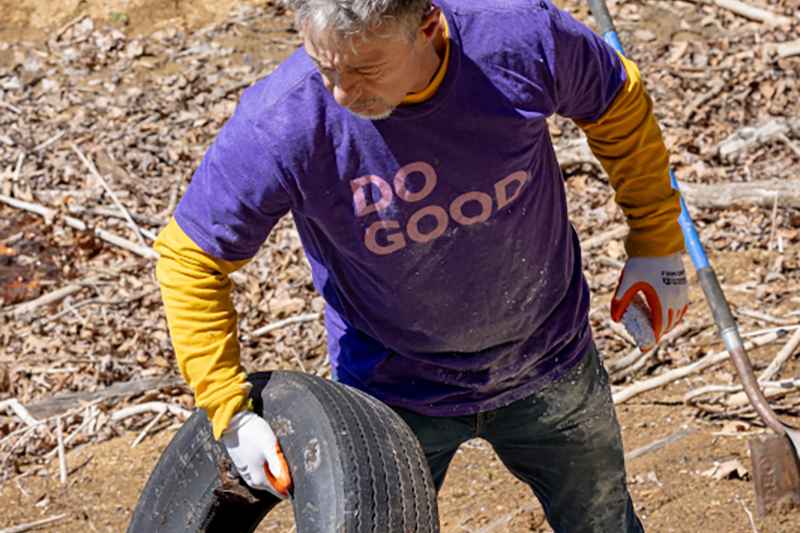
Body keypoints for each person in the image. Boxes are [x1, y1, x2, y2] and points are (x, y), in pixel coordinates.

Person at [154, 0, 689, 530]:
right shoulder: (284, 122)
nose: (341, 92)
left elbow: (616, 103)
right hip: (391, 388)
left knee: (604, 524)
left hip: (550, 359)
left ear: (428, 27)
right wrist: (228, 408)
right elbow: (190, 256)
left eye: (365, 69)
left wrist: (656, 241)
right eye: (325, 66)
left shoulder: (517, 38)